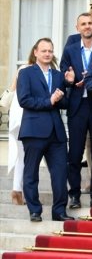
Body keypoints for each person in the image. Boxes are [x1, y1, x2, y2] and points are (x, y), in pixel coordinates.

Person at [17, 38, 75, 222]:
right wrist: (49, 101)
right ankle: (34, 210)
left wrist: (69, 85)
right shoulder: (26, 73)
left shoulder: (58, 75)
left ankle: (59, 211)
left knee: (60, 174)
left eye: (50, 51)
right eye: (44, 51)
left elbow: (64, 103)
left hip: (56, 133)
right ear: (35, 52)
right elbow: (24, 100)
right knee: (31, 173)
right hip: (33, 130)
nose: (47, 54)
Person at [60, 13, 92, 209]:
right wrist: (69, 80)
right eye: (83, 24)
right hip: (77, 106)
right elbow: (63, 73)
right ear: (77, 27)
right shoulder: (70, 49)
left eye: (90, 23)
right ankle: (75, 194)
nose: (87, 26)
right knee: (75, 153)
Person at [7, 60, 34, 206]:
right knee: (24, 155)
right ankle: (18, 190)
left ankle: (18, 190)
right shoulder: (32, 70)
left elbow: (12, 89)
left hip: (17, 118)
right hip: (25, 117)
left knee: (22, 155)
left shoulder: (22, 69)